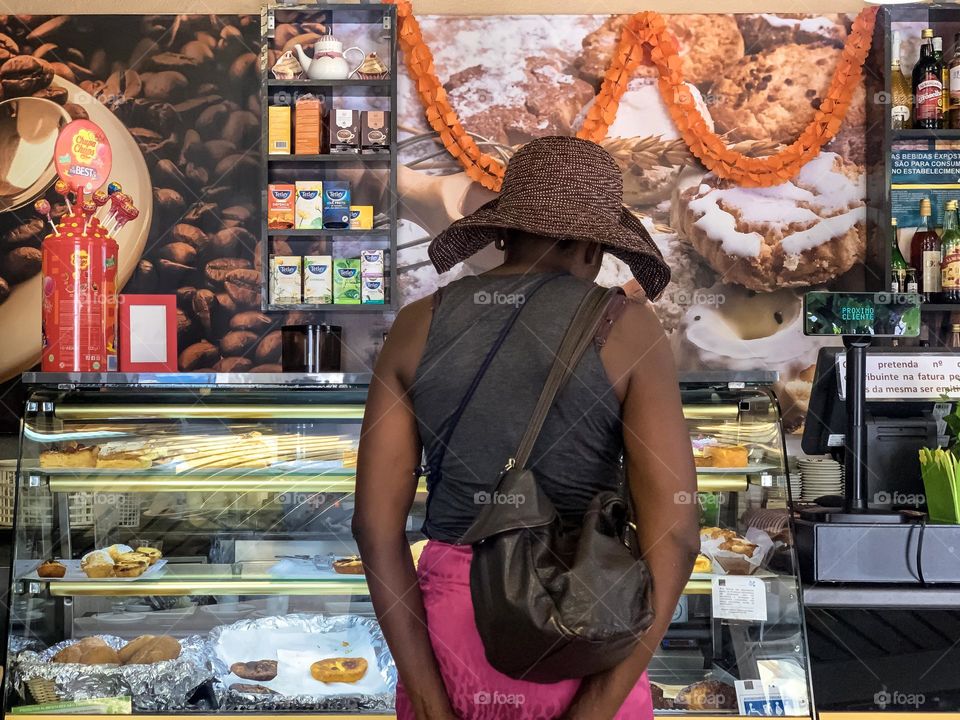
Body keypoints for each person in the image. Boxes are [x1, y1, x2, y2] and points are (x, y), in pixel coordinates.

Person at [354, 136, 699, 720]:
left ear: (502, 231)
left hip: (453, 625)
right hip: (579, 618)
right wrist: (594, 710)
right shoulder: (631, 331)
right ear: (596, 247)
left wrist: (432, 702)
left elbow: (373, 528)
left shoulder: (417, 325)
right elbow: (679, 536)